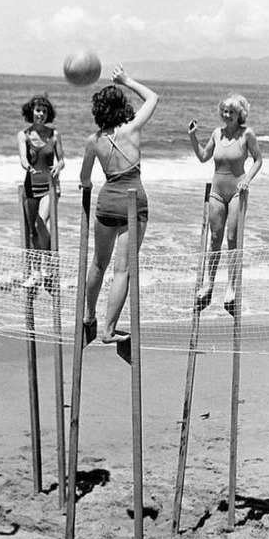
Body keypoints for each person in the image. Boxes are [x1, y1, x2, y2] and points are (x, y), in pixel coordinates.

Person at [80, 65, 159, 343]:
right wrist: (126, 80)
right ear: (122, 106)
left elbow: (85, 179)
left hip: (107, 201)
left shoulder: (93, 141)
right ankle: (108, 330)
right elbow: (153, 98)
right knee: (122, 270)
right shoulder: (133, 128)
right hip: (133, 202)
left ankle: (89, 316)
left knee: (98, 264)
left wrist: (87, 186)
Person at [188, 92, 262, 315]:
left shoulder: (246, 134)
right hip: (217, 192)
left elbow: (258, 160)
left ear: (241, 114)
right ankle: (209, 285)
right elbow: (203, 157)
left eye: (231, 111)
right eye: (225, 111)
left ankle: (231, 287)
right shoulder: (216, 133)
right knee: (214, 239)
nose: (227, 115)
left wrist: (247, 179)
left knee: (232, 239)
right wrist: (193, 137)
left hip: (237, 191)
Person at [17, 94, 65, 289]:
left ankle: (48, 267)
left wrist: (58, 167)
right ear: (32, 112)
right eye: (38, 110)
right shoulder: (24, 135)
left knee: (40, 222)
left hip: (50, 187)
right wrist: (27, 165)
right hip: (30, 186)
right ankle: (37, 273)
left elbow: (62, 160)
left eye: (44, 111)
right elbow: (22, 158)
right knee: (32, 233)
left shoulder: (54, 135)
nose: (41, 114)